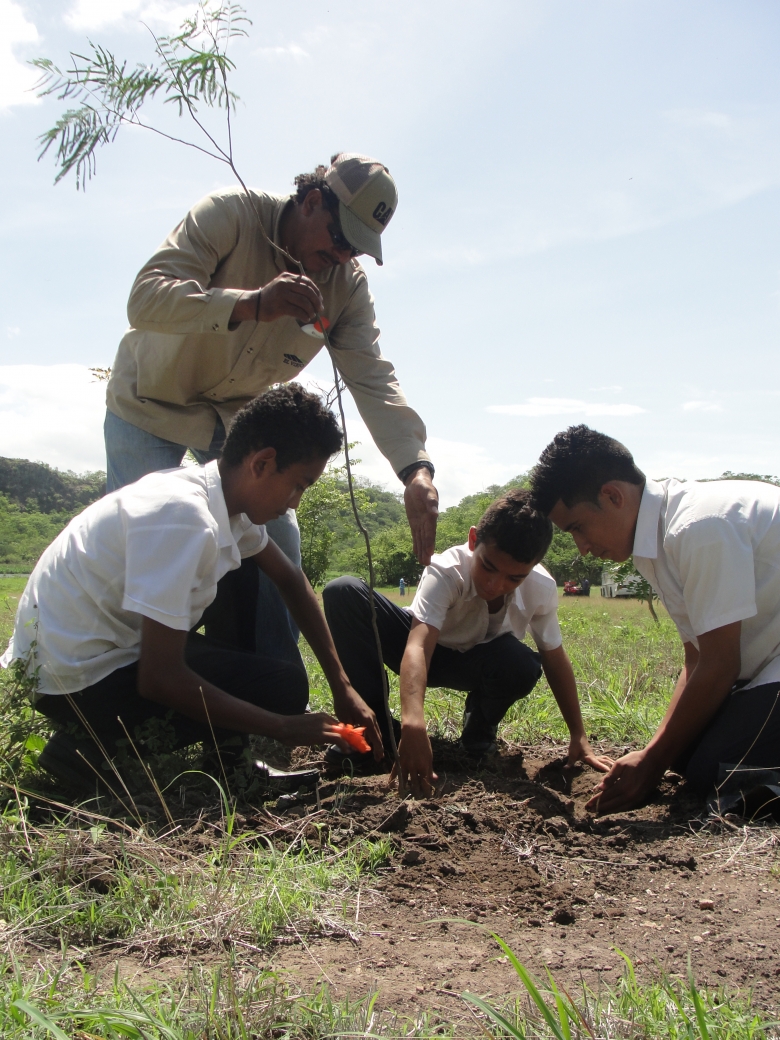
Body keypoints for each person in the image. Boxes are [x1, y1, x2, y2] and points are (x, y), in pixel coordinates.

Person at [103, 153, 439, 664]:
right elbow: (146, 297)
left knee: (277, 541)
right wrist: (252, 303)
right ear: (310, 202)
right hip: (151, 401)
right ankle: (117, 684)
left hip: (237, 421)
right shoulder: (229, 215)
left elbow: (371, 375)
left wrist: (415, 468)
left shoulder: (344, 287)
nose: (345, 255)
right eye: (340, 237)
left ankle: (270, 688)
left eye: (357, 248)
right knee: (138, 539)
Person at [1, 385, 383, 789]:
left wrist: (343, 688)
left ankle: (227, 758)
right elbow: (159, 678)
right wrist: (282, 728)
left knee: (246, 582)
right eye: (299, 485)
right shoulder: (186, 519)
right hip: (74, 682)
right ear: (262, 463)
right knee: (280, 689)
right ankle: (85, 751)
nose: (294, 503)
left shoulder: (222, 504)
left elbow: (289, 579)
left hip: (97, 652)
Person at [530, 424, 780, 814]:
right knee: (685, 757)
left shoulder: (697, 527)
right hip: (766, 666)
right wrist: (655, 752)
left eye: (578, 527)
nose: (582, 547)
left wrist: (651, 762)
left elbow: (719, 664)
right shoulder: (655, 540)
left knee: (717, 774)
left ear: (612, 495)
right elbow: (696, 657)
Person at [323, 489, 612, 794]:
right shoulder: (447, 570)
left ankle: (478, 734)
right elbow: (418, 646)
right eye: (488, 566)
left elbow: (553, 656)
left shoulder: (540, 586)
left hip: (475, 663)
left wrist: (578, 734)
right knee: (343, 592)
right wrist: (413, 723)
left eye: (514, 578)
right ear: (474, 541)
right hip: (418, 650)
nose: (495, 584)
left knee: (521, 663)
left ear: (534, 566)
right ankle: (377, 732)